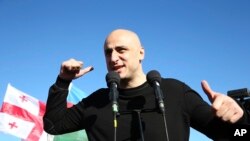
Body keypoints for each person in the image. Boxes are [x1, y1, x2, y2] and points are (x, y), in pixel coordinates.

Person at [43, 29, 249, 141]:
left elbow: (236, 135)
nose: (113, 57)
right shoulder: (95, 102)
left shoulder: (175, 92)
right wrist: (63, 82)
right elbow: (53, 125)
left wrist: (240, 118)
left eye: (121, 49)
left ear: (141, 53)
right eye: (108, 51)